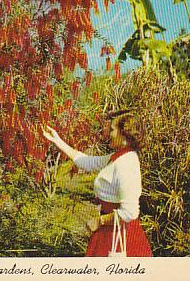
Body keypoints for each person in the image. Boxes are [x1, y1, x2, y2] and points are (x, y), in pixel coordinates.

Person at [43, 110, 153, 257]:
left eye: (113, 129)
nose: (109, 133)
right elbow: (88, 162)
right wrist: (57, 140)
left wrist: (99, 221)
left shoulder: (125, 164)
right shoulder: (119, 157)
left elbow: (129, 212)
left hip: (121, 234)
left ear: (124, 134)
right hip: (111, 229)